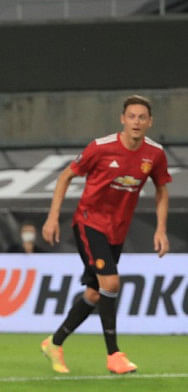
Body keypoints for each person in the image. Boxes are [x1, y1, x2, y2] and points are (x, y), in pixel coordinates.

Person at [40, 95, 171, 375]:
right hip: (90, 223)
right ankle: (114, 354)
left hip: (117, 232)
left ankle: (54, 343)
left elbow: (161, 190)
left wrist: (161, 229)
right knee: (110, 282)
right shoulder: (100, 148)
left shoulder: (155, 154)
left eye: (142, 117)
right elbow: (65, 176)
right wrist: (52, 217)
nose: (136, 122)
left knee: (95, 293)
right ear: (122, 119)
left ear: (150, 122)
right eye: (131, 116)